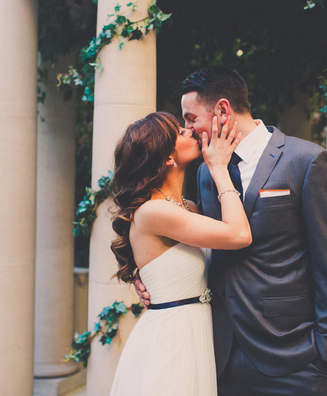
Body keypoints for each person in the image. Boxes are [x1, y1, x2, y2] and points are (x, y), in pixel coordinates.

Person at [137, 67, 327, 395]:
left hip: (295, 357)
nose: (188, 129)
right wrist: (149, 274)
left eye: (191, 118)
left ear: (222, 109)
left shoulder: (306, 161)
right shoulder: (208, 175)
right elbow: (191, 235)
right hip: (220, 355)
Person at [108, 111, 251, 396]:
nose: (189, 131)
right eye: (180, 132)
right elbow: (239, 235)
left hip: (194, 333)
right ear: (167, 158)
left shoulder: (187, 208)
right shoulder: (154, 211)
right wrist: (219, 168)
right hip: (171, 340)